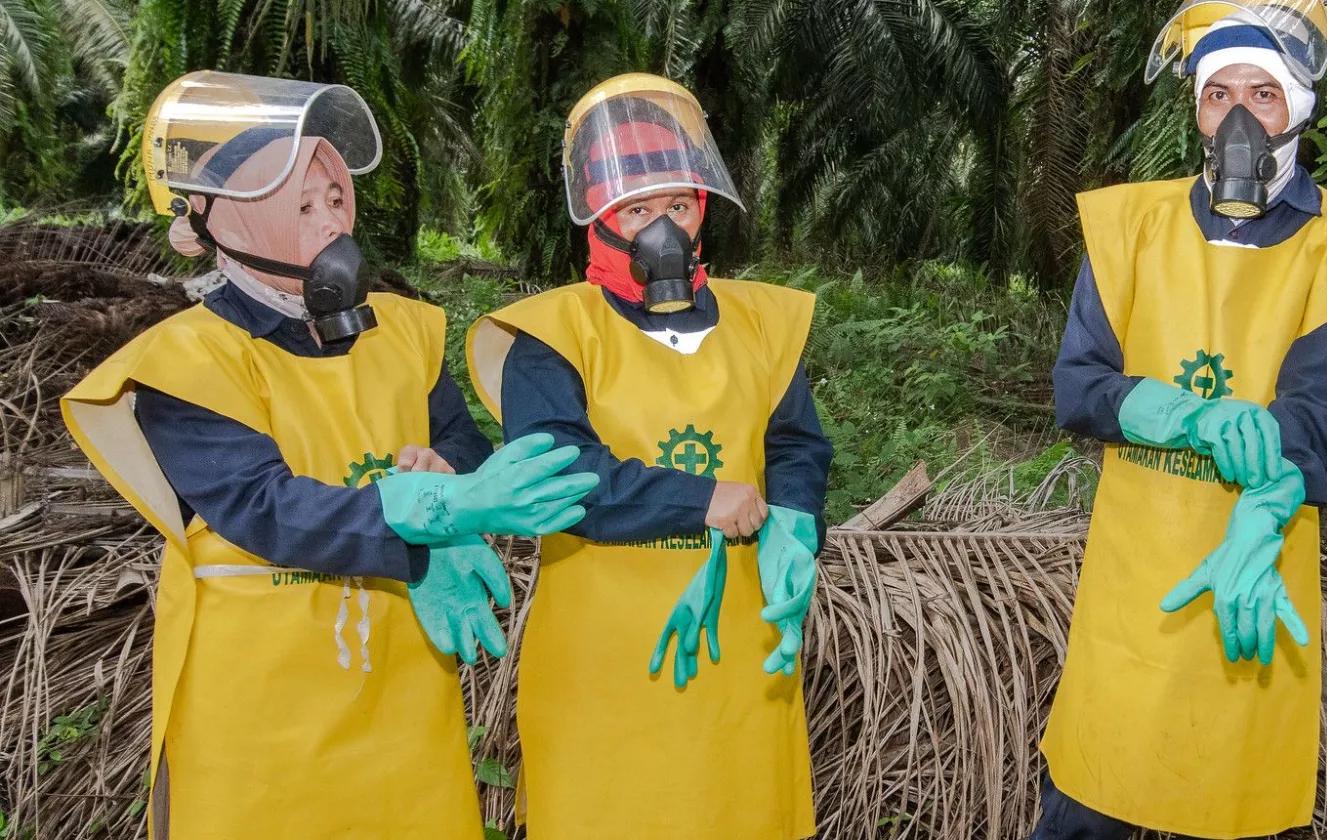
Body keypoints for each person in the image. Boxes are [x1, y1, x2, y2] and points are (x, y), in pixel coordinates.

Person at [60, 71, 595, 839]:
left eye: (333, 201)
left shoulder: (404, 330)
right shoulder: (184, 363)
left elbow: (459, 438)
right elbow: (263, 508)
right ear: (216, 223)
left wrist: (445, 471)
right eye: (300, 207)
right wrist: (427, 520)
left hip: (403, 683)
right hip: (261, 700)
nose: (328, 225)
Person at [1033, 3, 1327, 837]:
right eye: (1218, 95)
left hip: (1257, 573)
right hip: (1130, 584)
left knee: (1239, 804)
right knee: (1088, 803)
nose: (1239, 118)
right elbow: (1079, 387)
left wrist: (1268, 491)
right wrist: (1183, 415)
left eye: (1264, 93)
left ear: (1301, 107)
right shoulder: (1129, 228)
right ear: (1195, 109)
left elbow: (1317, 418)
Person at [465, 73, 833, 839]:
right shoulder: (551, 334)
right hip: (607, 659)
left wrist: (796, 520)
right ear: (599, 217)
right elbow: (561, 474)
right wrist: (700, 498)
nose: (661, 227)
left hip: (742, 641)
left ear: (701, 210)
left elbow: (794, 440)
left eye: (676, 204)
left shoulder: (762, 322)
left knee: (742, 813)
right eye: (639, 208)